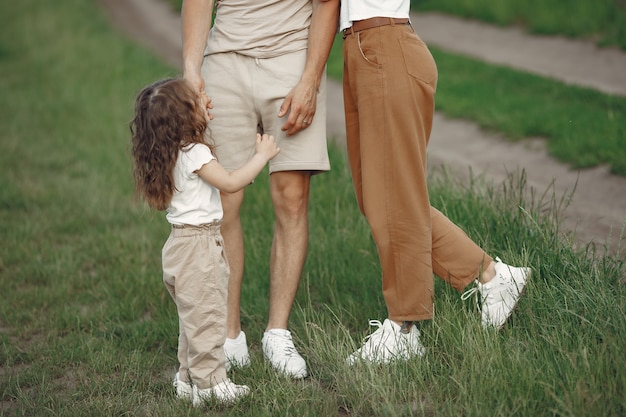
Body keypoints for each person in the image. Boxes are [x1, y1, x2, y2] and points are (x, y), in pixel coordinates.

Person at [339, 1, 532, 364]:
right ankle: (492, 276)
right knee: (379, 199)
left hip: (383, 43)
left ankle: (404, 326)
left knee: (395, 200)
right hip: (363, 46)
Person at [181, 0, 339, 378]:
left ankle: (277, 332)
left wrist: (311, 80)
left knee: (292, 199)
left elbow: (327, 2)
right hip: (224, 62)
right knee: (222, 203)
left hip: (291, 60)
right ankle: (229, 332)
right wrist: (191, 69)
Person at [130, 78, 280, 404]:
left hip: (177, 246)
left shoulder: (165, 156)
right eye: (197, 101)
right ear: (185, 116)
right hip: (200, 248)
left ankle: (186, 379)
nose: (206, 102)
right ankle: (211, 386)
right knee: (209, 319)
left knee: (191, 319)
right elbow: (230, 183)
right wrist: (261, 155)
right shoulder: (194, 152)